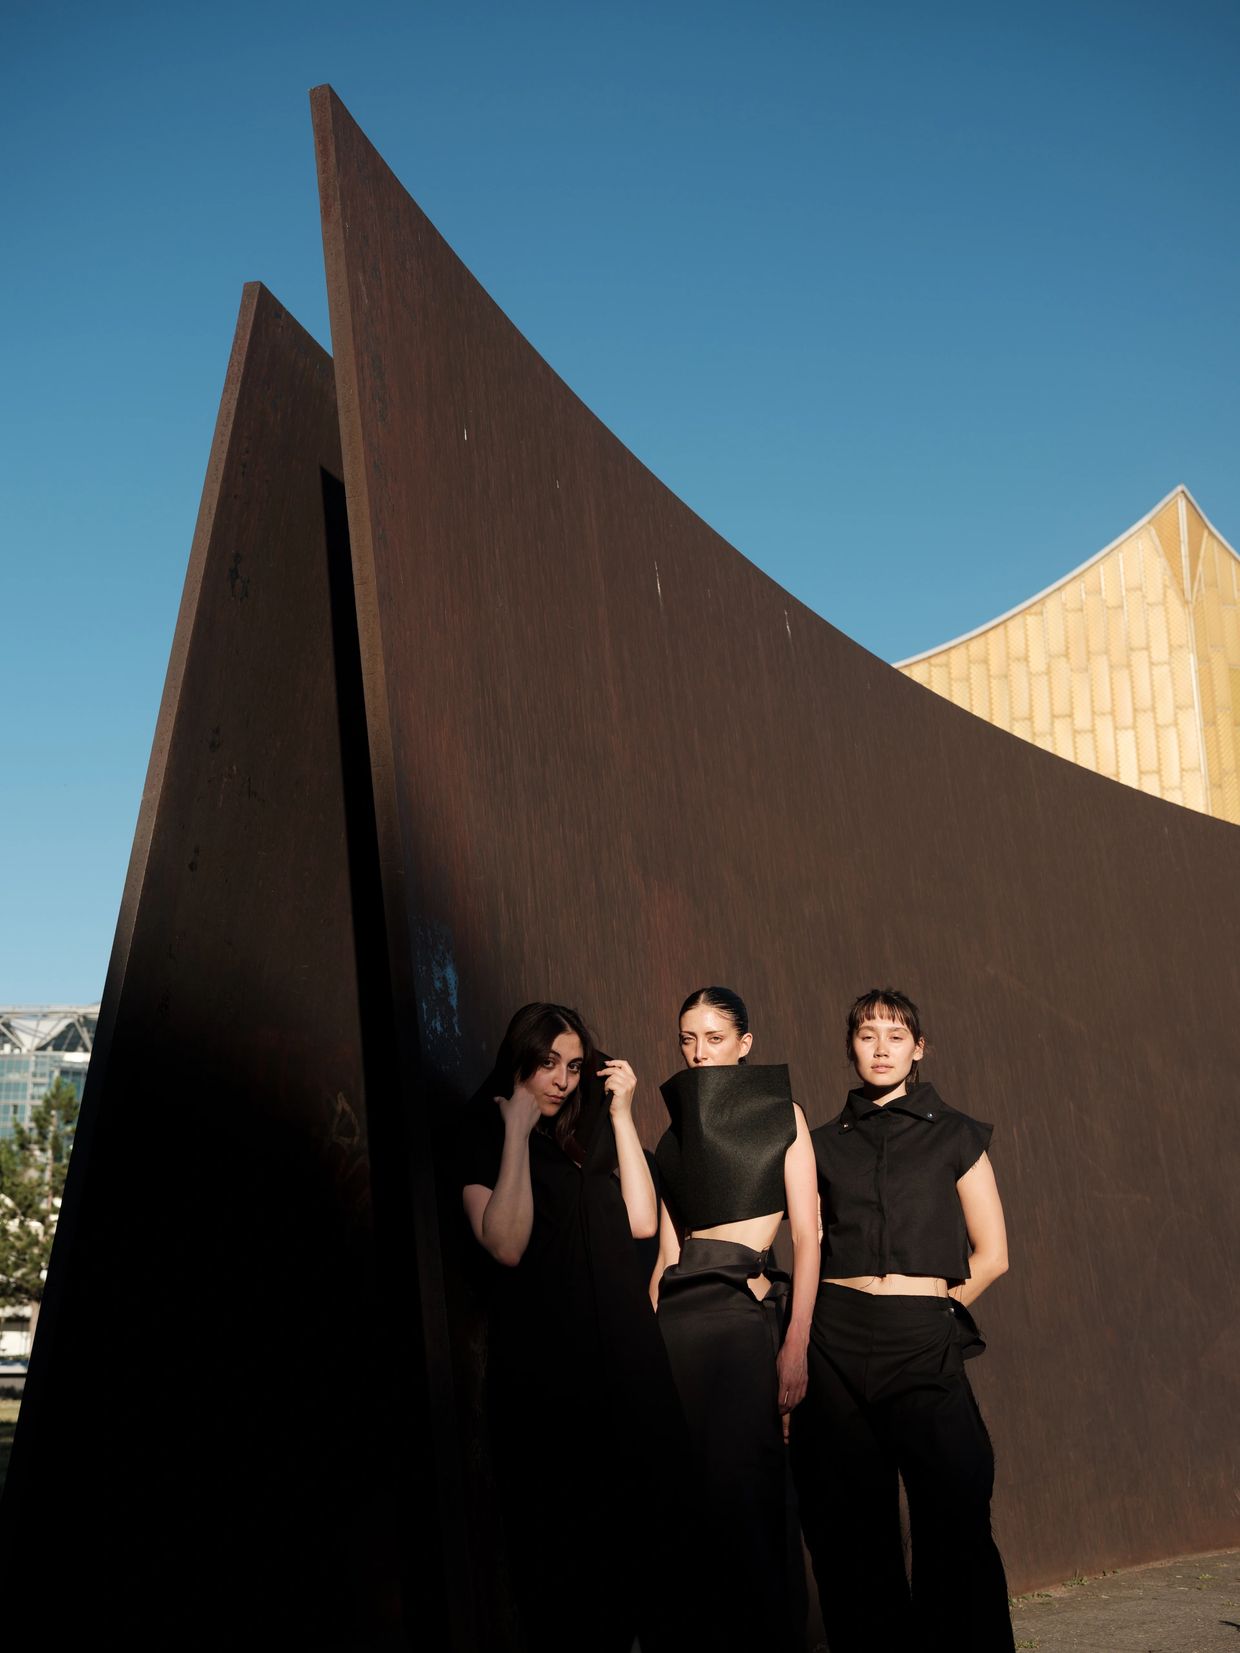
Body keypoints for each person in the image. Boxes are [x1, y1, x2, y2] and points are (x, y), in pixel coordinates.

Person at [789, 987, 1015, 1653]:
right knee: (852, 1533)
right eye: (868, 1035)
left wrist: (937, 1312)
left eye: (896, 1035)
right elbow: (802, 1238)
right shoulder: (822, 1146)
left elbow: (993, 1254)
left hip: (923, 1334)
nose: (881, 1048)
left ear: (919, 1049)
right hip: (835, 1341)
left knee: (955, 1520)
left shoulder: (956, 1134)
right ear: (851, 1047)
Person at [459, 1002, 688, 1652]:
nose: (562, 1079)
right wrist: (514, 1133)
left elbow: (642, 1220)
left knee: (652, 1559)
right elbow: (505, 1243)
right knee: (566, 1572)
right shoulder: (482, 1131)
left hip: (629, 1372)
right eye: (548, 1063)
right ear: (520, 1060)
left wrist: (621, 1113)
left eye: (575, 1065)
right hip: (550, 1384)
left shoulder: (591, 1134)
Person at [650, 986, 819, 1653]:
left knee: (750, 1494)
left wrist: (796, 1344)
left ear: (745, 1043)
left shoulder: (783, 1115)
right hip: (677, 1327)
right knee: (687, 1501)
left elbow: (807, 1236)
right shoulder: (673, 1134)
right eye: (688, 1039)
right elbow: (666, 1256)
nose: (699, 1052)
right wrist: (643, 1350)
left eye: (714, 1038)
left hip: (744, 1318)